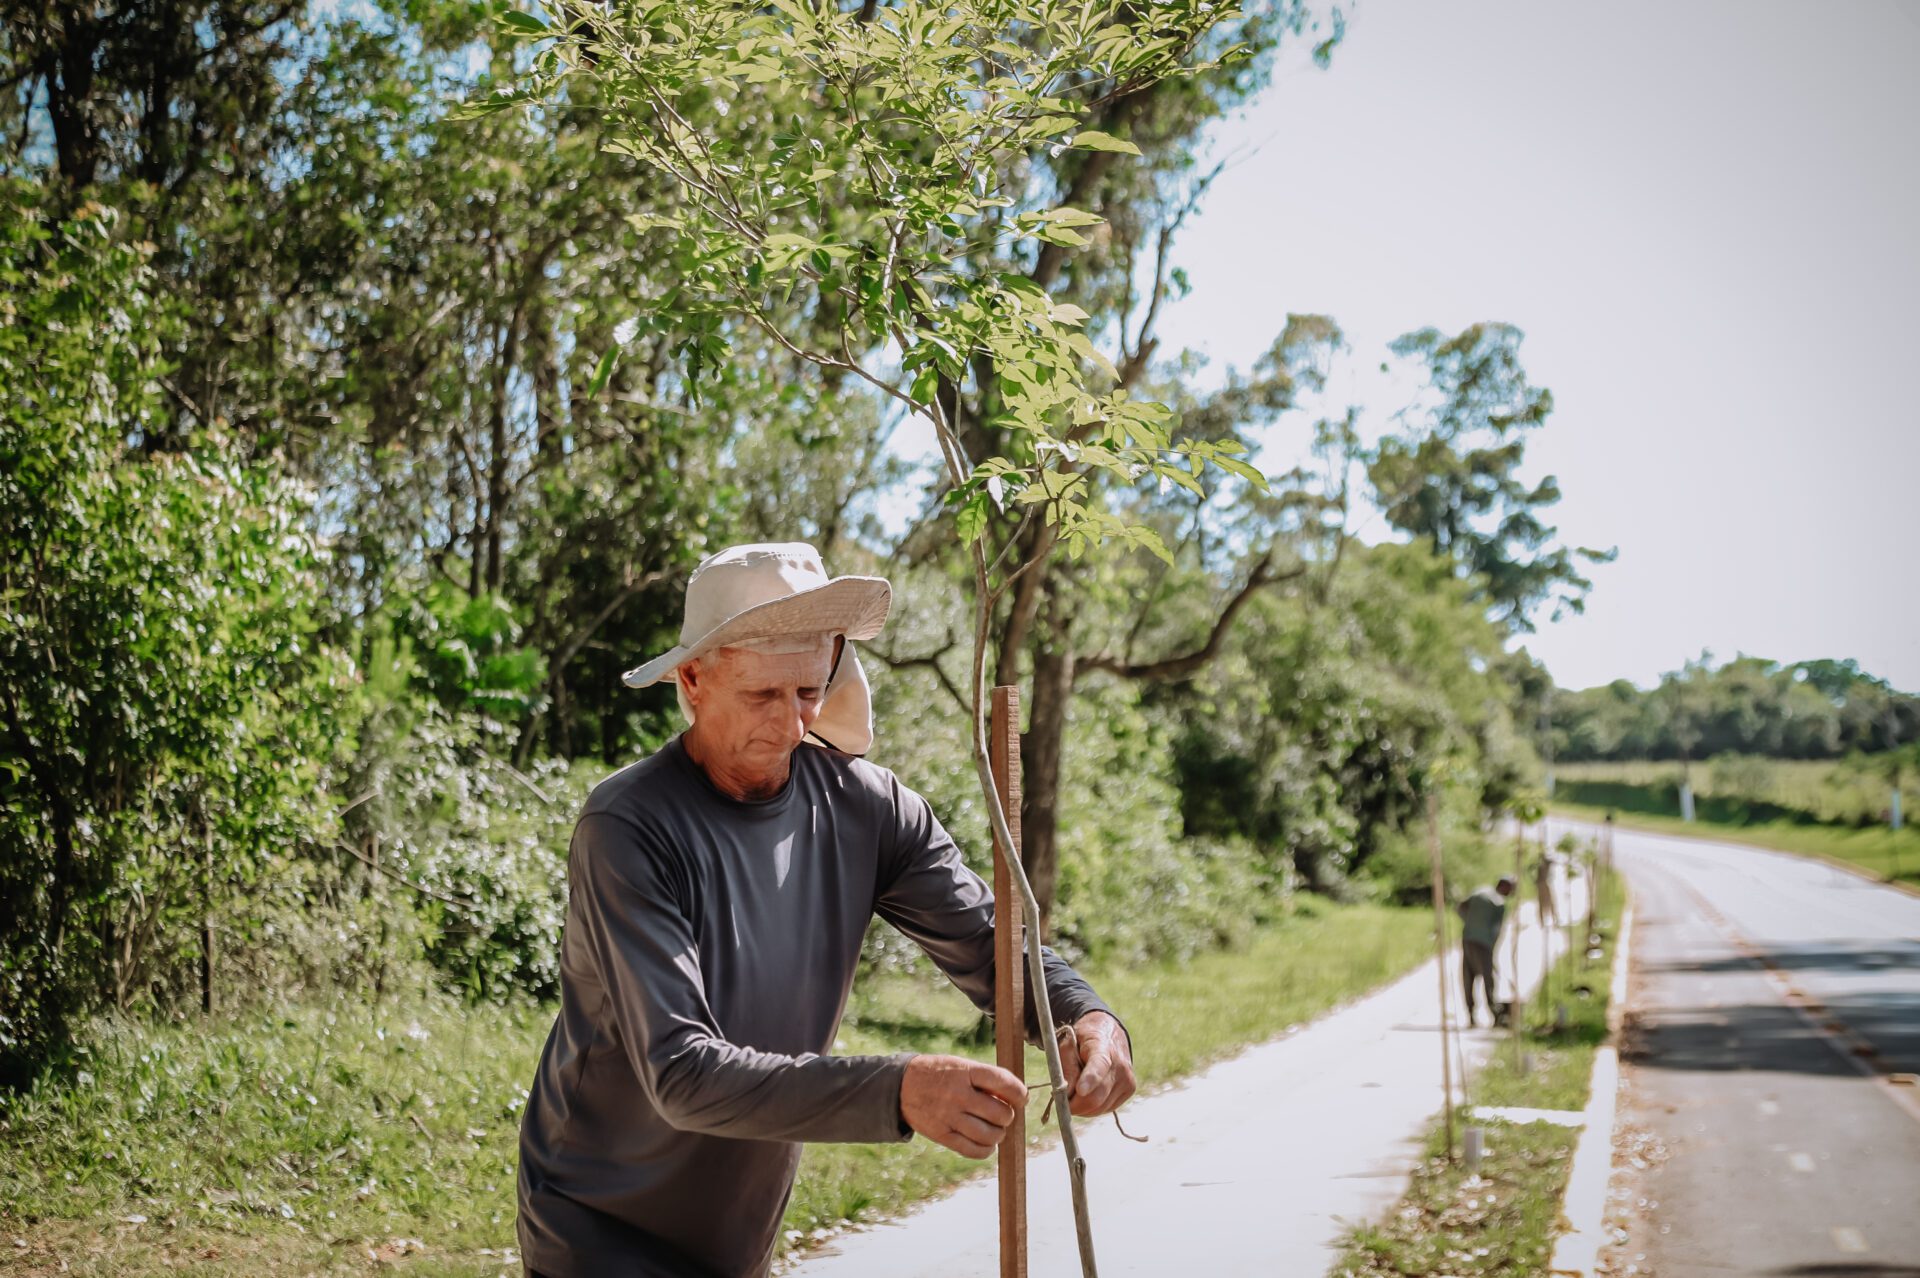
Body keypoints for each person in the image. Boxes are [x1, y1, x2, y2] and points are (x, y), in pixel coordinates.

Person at [515, 542, 1137, 1278]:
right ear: (692, 679)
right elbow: (680, 1072)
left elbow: (992, 942)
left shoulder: (867, 809)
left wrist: (1087, 1016)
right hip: (596, 1224)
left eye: (808, 693)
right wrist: (899, 1091)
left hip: (736, 1230)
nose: (789, 726)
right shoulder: (630, 826)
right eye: (760, 697)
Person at [1455, 875, 1515, 1028]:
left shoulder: (1480, 891)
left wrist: (1469, 922)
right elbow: (1497, 930)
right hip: (1484, 944)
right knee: (1489, 980)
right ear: (1505, 887)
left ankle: (1471, 1015)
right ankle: (1496, 1015)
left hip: (1468, 939)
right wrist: (1491, 950)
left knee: (1468, 977)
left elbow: (1460, 907)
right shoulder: (1499, 904)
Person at [1533, 851, 1558, 928]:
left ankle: (1554, 921)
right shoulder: (1540, 866)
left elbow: (1553, 861)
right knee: (1542, 904)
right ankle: (1542, 922)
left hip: (1546, 885)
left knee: (1551, 903)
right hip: (1541, 886)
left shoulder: (1547, 863)